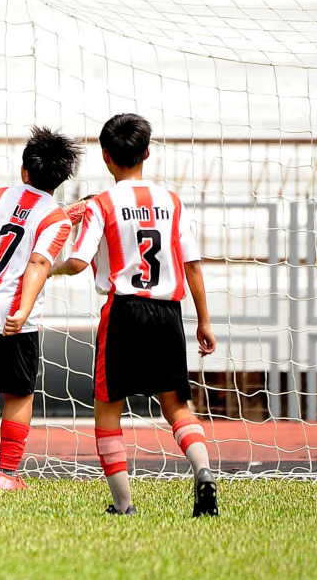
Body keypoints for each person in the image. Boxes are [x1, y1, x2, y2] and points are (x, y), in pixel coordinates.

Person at [51, 113, 219, 517]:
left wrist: (44, 267)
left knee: (108, 407)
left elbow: (77, 262)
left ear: (106, 157)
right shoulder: (172, 202)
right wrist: (205, 322)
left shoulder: (102, 204)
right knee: (177, 406)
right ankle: (204, 471)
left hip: (124, 311)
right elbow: (192, 265)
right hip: (168, 313)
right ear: (147, 152)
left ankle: (124, 505)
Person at [0, 127, 80, 491]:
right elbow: (39, 263)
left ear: (25, 170)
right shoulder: (56, 218)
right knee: (19, 393)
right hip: (12, 314)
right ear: (60, 179)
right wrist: (23, 309)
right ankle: (7, 473)